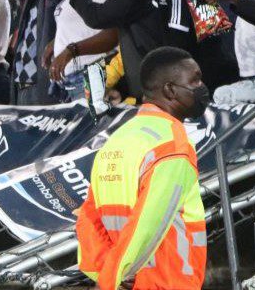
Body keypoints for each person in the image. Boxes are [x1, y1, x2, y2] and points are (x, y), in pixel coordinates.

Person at [77, 46, 208, 290]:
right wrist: (109, 279)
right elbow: (148, 224)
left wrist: (108, 274)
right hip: (169, 282)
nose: (202, 86)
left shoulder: (118, 139)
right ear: (170, 90)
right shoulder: (172, 145)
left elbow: (88, 218)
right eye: (195, 80)